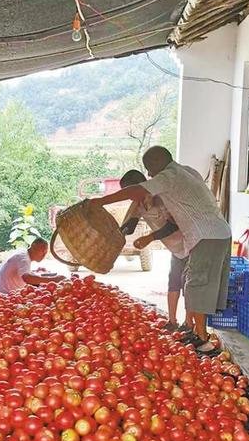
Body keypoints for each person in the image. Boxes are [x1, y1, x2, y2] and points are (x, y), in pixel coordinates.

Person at [91, 147, 231, 353]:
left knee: (197, 286)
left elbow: (137, 190)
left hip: (207, 235)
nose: (149, 174)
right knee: (196, 285)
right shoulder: (186, 172)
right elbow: (131, 217)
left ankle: (203, 341)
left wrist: (100, 201)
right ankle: (195, 332)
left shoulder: (169, 176)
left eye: (149, 168)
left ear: (159, 162)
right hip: (214, 233)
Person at [118, 169, 193, 333]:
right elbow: (131, 224)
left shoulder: (163, 199)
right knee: (173, 282)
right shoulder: (139, 204)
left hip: (190, 244)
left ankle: (189, 324)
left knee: (189, 286)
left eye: (131, 192)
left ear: (141, 187)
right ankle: (172, 321)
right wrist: (120, 232)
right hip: (176, 249)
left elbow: (173, 225)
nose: (130, 197)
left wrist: (150, 238)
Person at [0, 237, 64, 295]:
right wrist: (53, 279)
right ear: (33, 246)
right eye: (42, 251)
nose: (44, 255)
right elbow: (27, 278)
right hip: (5, 294)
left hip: (0, 291)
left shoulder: (23, 252)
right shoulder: (24, 258)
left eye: (45, 253)